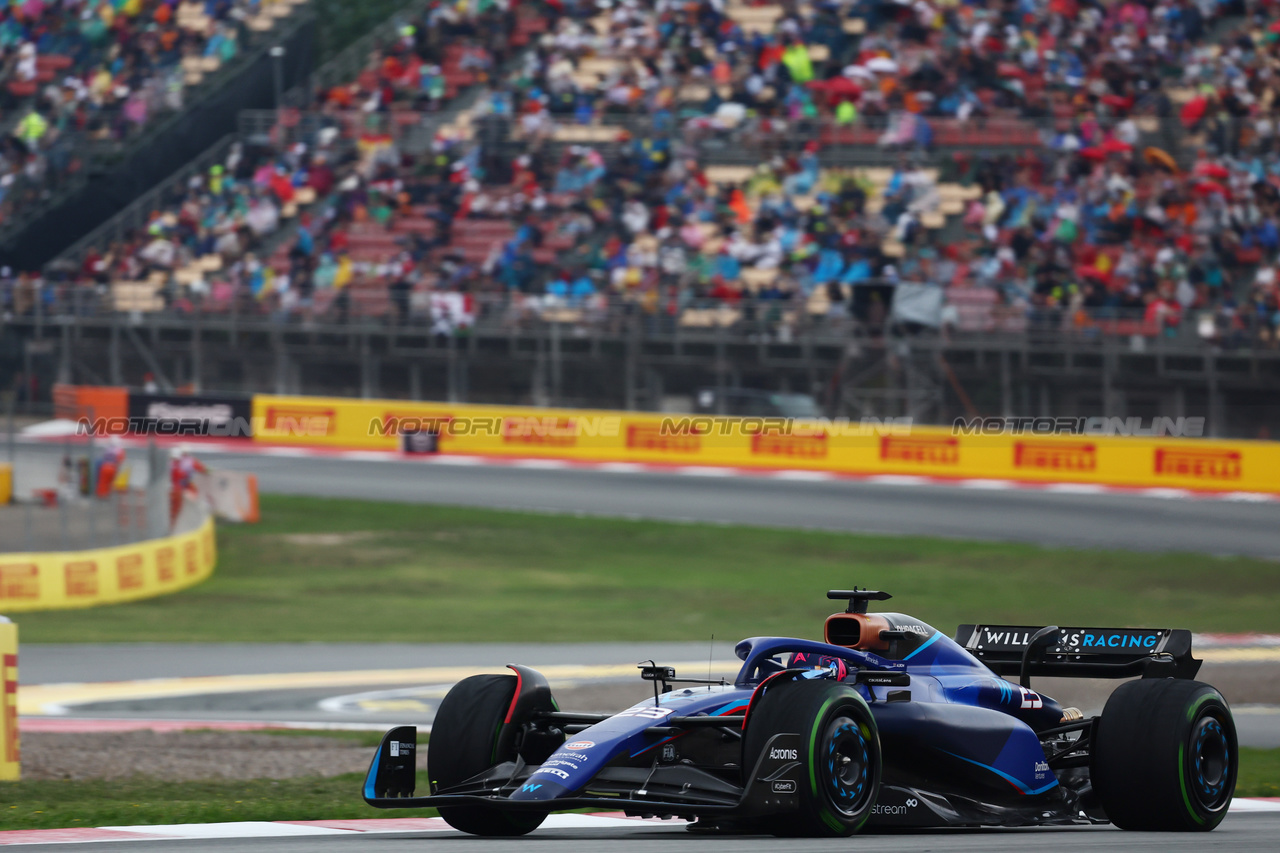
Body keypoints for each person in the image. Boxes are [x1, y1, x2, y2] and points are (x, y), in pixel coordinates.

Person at [169, 445, 208, 528]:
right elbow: (203, 469)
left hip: (174, 488)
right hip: (181, 488)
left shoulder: (169, 463)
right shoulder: (190, 461)